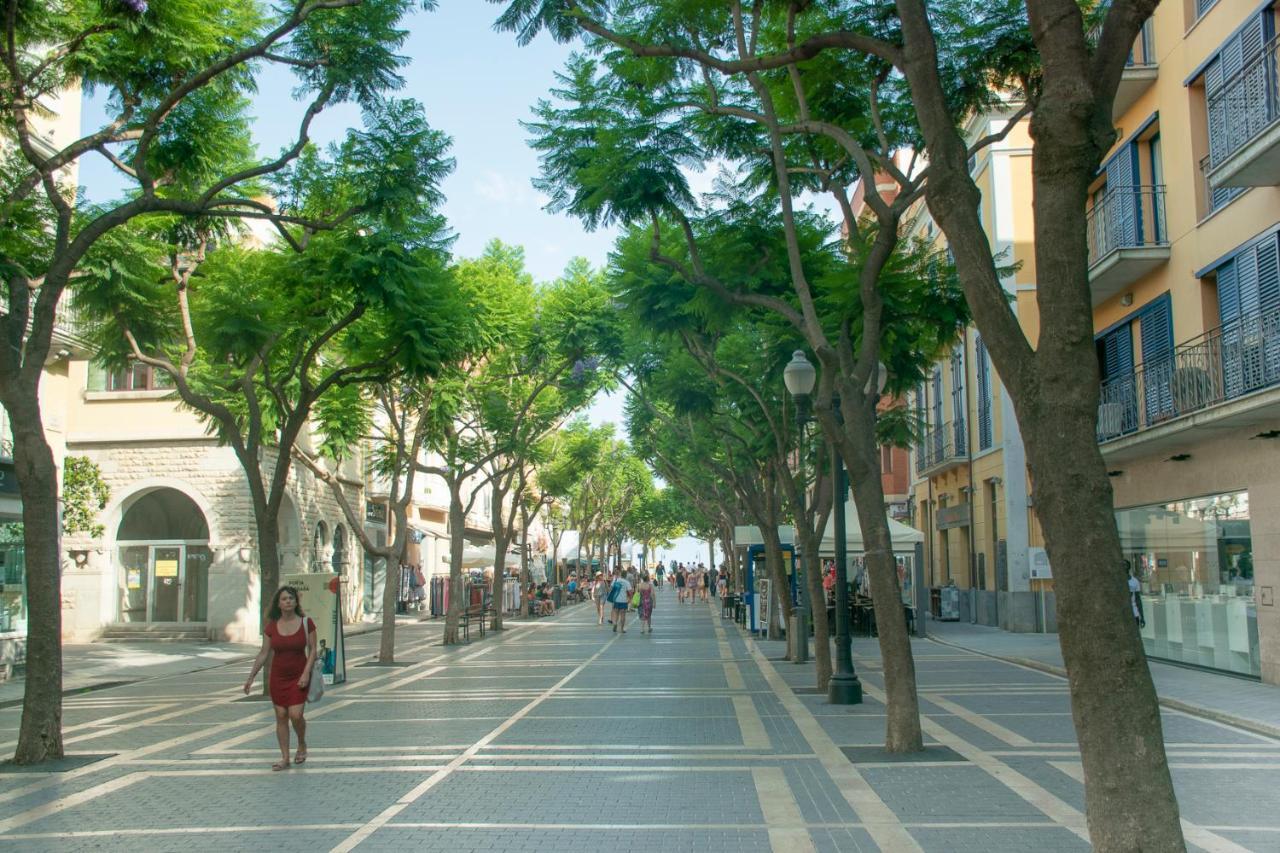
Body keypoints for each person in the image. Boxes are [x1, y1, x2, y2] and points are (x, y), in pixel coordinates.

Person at [243, 585, 317, 771]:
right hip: (278, 677)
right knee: (281, 715)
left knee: (296, 715)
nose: (288, 601)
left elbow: (313, 650)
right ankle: (285, 757)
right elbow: (263, 653)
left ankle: (301, 743)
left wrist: (306, 673)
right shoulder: (271, 627)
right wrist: (251, 676)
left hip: (299, 675)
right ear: (279, 603)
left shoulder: (306, 623)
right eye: (284, 599)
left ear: (296, 601)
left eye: (291, 598)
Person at [608, 570, 632, 634]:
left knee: (616, 613)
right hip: (623, 600)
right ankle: (622, 629)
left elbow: (610, 588)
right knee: (623, 615)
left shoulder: (616, 580)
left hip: (616, 599)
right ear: (626, 575)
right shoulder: (627, 582)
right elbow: (630, 592)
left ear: (621, 574)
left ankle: (615, 623)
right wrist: (630, 599)